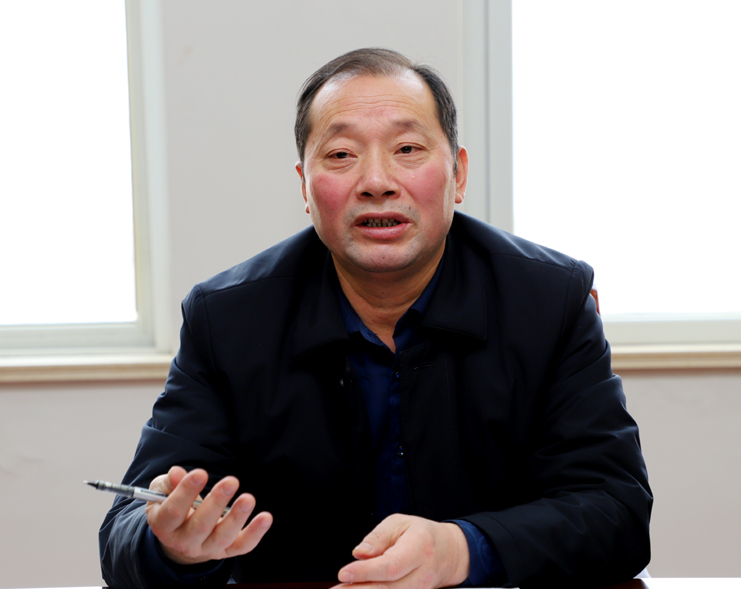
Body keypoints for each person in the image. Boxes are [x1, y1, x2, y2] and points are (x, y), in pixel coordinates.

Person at [99, 48, 652, 589]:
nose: (376, 181)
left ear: (458, 175)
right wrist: (172, 547)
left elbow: (617, 512)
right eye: (341, 155)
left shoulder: (550, 300)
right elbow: (127, 527)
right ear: (305, 187)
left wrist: (460, 550)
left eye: (407, 149)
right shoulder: (227, 319)